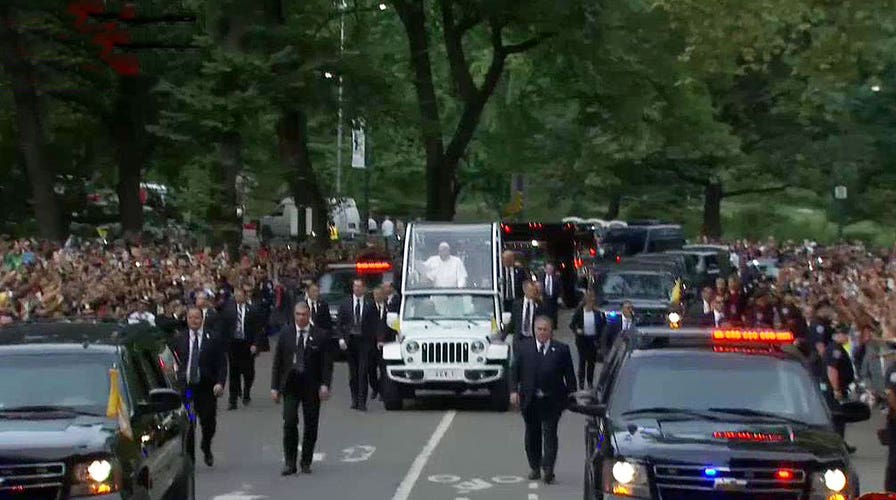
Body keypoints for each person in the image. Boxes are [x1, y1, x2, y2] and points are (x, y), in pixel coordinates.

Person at [509, 316, 576, 485]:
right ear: (534, 330)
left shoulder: (561, 349)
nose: (542, 332)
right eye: (539, 329)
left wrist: (571, 396)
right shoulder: (524, 348)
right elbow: (514, 371)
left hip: (552, 400)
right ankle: (535, 466)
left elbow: (569, 376)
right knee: (532, 434)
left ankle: (548, 470)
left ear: (551, 331)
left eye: (545, 329)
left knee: (550, 434)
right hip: (530, 399)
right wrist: (513, 391)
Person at [271, 303, 333, 475]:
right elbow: (278, 362)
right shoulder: (286, 333)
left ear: (309, 315)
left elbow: (327, 364)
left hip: (311, 385)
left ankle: (306, 460)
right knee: (289, 421)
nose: (301, 318)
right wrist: (274, 387)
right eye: (298, 314)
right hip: (291, 384)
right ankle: (290, 462)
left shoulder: (320, 335)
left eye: (304, 314)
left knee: (311, 424)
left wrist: (325, 384)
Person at [172, 307, 227, 467]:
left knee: (208, 421)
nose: (194, 321)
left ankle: (206, 445)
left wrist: (220, 383)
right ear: (187, 319)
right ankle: (190, 458)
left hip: (207, 387)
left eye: (197, 318)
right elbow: (172, 360)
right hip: (188, 387)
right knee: (189, 422)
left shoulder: (213, 338)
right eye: (190, 318)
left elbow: (222, 363)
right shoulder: (179, 338)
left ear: (202, 319)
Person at [337, 278, 379, 411]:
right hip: (351, 342)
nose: (357, 289)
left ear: (364, 289)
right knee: (353, 373)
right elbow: (339, 324)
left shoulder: (370, 304)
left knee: (363, 372)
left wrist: (376, 340)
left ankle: (362, 402)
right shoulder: (345, 304)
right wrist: (341, 339)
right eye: (355, 286)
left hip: (365, 342)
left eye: (360, 286)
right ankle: (354, 399)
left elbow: (375, 324)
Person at [227, 290, 261, 409]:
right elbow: (224, 327)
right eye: (236, 296)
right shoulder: (229, 310)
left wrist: (255, 344)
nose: (238, 298)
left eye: (240, 296)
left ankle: (246, 391)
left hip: (247, 344)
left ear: (245, 297)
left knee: (248, 372)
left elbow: (258, 329)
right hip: (234, 344)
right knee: (233, 372)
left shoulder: (252, 310)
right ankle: (233, 400)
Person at [826, 327, 857, 454]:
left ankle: (840, 443)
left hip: (839, 388)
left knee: (840, 418)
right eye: (845, 335)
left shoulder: (836, 348)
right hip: (835, 390)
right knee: (837, 417)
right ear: (838, 335)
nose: (847, 338)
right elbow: (832, 370)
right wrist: (836, 389)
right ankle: (836, 446)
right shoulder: (836, 350)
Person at [569, 290, 605, 390]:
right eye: (589, 301)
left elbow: (602, 325)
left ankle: (589, 382)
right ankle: (581, 382)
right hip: (582, 340)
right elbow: (572, 325)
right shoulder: (579, 312)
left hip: (592, 340)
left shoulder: (597, 313)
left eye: (592, 301)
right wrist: (578, 330)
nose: (590, 303)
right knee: (582, 361)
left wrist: (599, 338)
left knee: (591, 362)